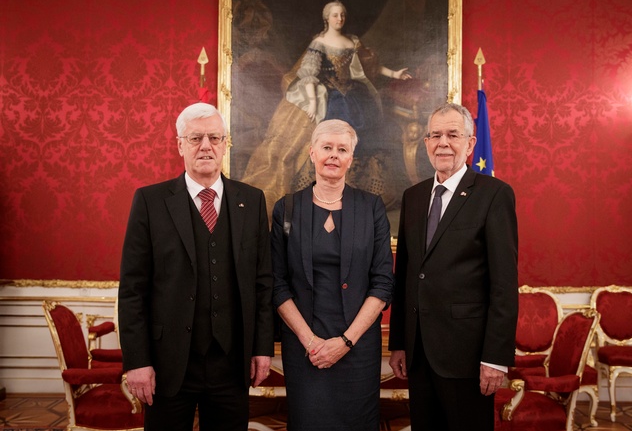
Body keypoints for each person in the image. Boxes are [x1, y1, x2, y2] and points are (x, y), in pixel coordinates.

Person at [118, 102, 274, 431]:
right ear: (179, 145)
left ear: (225, 144)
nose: (206, 146)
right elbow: (133, 291)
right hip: (168, 364)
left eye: (215, 138)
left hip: (232, 365)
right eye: (196, 138)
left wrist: (262, 349)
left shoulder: (253, 200)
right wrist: (137, 362)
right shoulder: (149, 201)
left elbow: (262, 284)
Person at [388, 103, 518, 431]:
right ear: (426, 142)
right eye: (435, 135)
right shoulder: (414, 197)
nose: (442, 142)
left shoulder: (494, 194)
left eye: (452, 135)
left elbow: (503, 283)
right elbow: (405, 273)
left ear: (470, 144)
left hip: (468, 357)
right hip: (419, 355)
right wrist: (400, 343)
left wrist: (494, 358)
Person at [271, 119, 394, 431]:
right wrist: (311, 341)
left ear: (351, 158)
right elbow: (277, 283)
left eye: (342, 149)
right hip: (304, 350)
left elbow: (382, 283)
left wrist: (345, 342)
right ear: (312, 152)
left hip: (357, 350)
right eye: (327, 147)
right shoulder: (286, 208)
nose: (333, 155)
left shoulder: (371, 207)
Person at [242, 0, 411, 215]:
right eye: (334, 15)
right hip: (329, 96)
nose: (339, 19)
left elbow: (369, 68)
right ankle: (324, 191)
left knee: (365, 134)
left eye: (342, 15)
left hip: (354, 95)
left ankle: (356, 190)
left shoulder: (352, 42)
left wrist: (395, 74)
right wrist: (313, 103)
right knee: (331, 132)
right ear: (326, 18)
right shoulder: (319, 43)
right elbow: (310, 74)